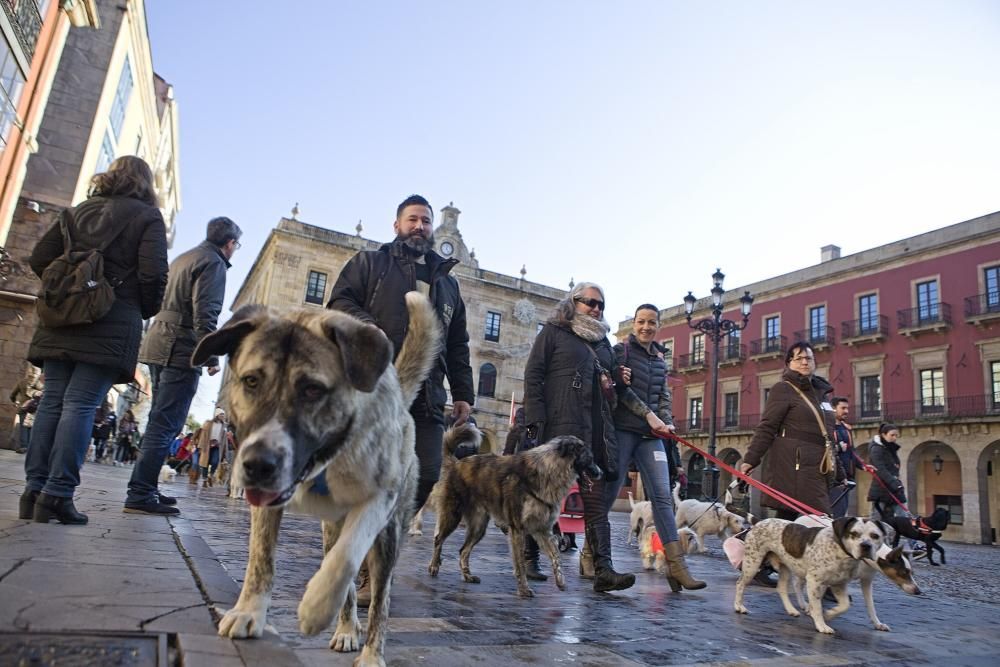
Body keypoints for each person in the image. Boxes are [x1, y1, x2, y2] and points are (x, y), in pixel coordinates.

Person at [329, 194, 474, 602]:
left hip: (427, 395)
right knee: (365, 475)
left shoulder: (448, 284)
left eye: (426, 221)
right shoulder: (369, 264)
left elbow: (458, 343)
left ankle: (377, 543)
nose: (421, 226)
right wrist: (369, 328)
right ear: (397, 225)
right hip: (374, 387)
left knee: (426, 474)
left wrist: (463, 392)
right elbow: (340, 301)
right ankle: (359, 561)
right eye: (413, 219)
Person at [19, 156, 169, 525]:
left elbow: (40, 257)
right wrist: (135, 304)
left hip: (63, 315)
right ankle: (58, 494)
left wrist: (70, 287)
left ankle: (33, 491)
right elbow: (153, 275)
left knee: (53, 401)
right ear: (145, 184)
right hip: (111, 317)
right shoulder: (147, 217)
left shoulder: (77, 212)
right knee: (81, 404)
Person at [124, 216, 242, 515]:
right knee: (167, 423)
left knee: (160, 421)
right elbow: (206, 313)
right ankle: (140, 492)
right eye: (236, 245)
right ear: (229, 244)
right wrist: (211, 356)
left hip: (158, 342)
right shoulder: (213, 263)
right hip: (180, 347)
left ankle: (146, 486)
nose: (234, 250)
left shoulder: (184, 257)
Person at [523, 282, 634, 593]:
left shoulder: (604, 343)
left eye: (601, 304)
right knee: (543, 497)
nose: (596, 309)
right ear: (573, 303)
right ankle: (530, 557)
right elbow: (533, 375)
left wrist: (620, 384)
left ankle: (604, 569)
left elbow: (610, 394)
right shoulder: (554, 332)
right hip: (558, 428)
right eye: (590, 302)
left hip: (594, 432)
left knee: (595, 500)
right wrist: (535, 422)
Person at [604, 303, 705, 591]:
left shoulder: (661, 361)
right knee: (609, 492)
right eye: (641, 322)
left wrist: (667, 423)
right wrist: (650, 416)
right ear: (634, 324)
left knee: (663, 496)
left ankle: (676, 567)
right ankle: (593, 556)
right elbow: (622, 392)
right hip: (624, 429)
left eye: (651, 322)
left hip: (652, 436)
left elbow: (663, 397)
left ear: (658, 326)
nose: (646, 327)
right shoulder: (620, 352)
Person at [740, 341, 839, 519]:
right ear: (789, 363)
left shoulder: (822, 394)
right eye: (799, 358)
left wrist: (840, 470)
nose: (804, 362)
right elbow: (767, 426)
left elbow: (828, 433)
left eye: (808, 358)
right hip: (794, 464)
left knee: (798, 520)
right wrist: (751, 459)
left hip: (818, 464)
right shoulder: (783, 389)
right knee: (808, 517)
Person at [867, 423, 905, 520]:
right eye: (892, 435)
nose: (895, 438)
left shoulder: (890, 447)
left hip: (893, 486)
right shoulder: (876, 449)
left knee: (902, 516)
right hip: (881, 487)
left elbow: (893, 464)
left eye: (896, 435)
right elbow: (880, 469)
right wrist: (895, 483)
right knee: (877, 518)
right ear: (883, 435)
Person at [829, 396, 856, 518]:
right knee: (837, 513)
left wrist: (863, 465)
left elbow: (851, 451)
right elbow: (827, 450)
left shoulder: (846, 428)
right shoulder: (828, 428)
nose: (846, 411)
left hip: (847, 477)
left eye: (847, 408)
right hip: (834, 478)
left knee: (842, 510)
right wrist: (839, 448)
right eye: (843, 408)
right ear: (833, 409)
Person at [196, 408, 229, 486]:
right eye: (221, 414)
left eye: (223, 415)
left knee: (215, 461)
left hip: (217, 446)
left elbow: (224, 439)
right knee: (205, 463)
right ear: (217, 415)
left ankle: (210, 475)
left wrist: (225, 449)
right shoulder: (208, 423)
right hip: (207, 446)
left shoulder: (224, 425)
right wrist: (200, 446)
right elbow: (203, 436)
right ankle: (204, 480)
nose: (223, 416)